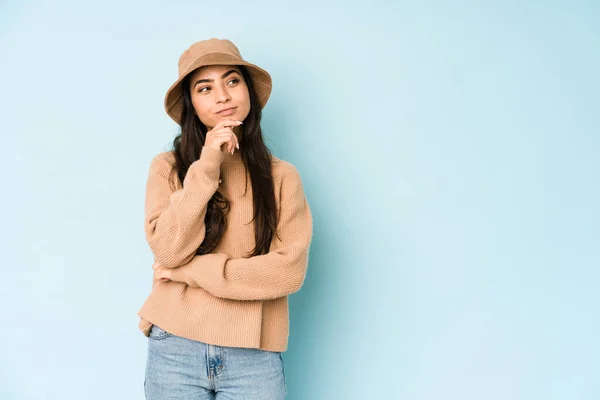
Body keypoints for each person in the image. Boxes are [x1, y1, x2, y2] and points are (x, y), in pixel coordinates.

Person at [136, 38, 313, 399]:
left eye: (232, 81)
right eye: (205, 88)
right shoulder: (168, 168)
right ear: (192, 105)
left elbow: (288, 271)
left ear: (248, 90)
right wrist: (207, 164)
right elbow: (168, 250)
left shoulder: (282, 177)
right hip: (175, 345)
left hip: (254, 353)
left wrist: (190, 274)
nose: (222, 95)